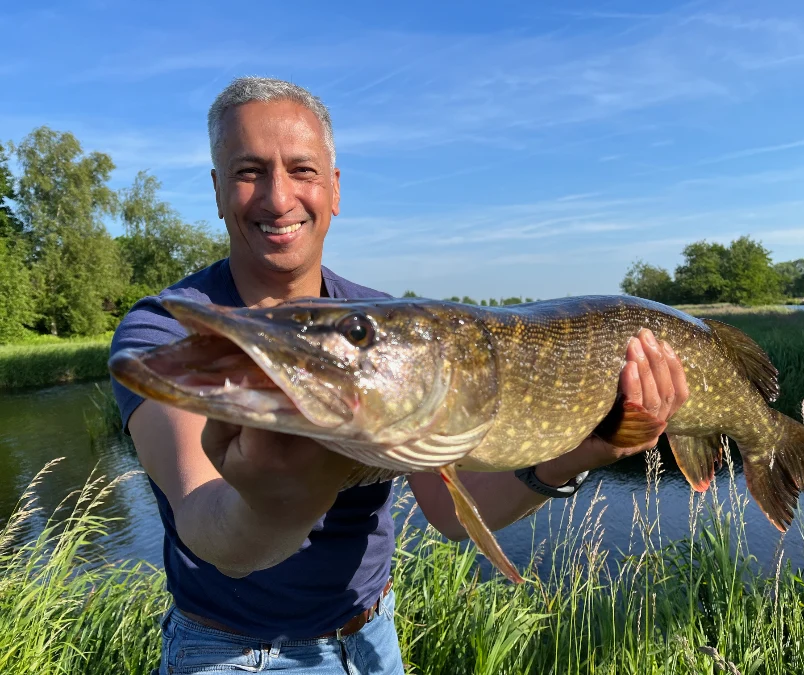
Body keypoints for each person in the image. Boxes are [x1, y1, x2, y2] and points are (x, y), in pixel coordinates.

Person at [110, 76, 689, 675]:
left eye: (302, 170)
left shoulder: (393, 324)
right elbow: (210, 530)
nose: (278, 198)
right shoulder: (168, 332)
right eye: (249, 171)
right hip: (230, 655)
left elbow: (448, 512)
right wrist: (278, 505)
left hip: (371, 640)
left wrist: (584, 451)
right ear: (217, 189)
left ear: (334, 190)